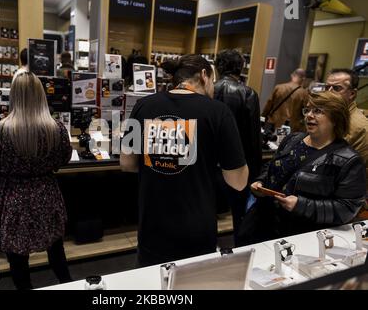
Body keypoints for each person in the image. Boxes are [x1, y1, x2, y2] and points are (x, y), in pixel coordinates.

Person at [120, 54, 249, 267]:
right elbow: (238, 181)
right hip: (196, 228)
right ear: (204, 75)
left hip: (152, 226)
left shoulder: (143, 105)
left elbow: (127, 163)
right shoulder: (218, 112)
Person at [0, 72, 72, 289]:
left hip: (14, 196)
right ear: (41, 94)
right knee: (56, 251)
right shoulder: (56, 129)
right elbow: (63, 159)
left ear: (14, 95)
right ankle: (68, 285)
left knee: (17, 258)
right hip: (46, 194)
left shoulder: (1, 131)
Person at [246, 91, 366, 243]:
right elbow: (274, 165)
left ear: (336, 118)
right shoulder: (293, 139)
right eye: (307, 109)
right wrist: (261, 182)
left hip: (301, 236)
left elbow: (347, 208)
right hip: (264, 223)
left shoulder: (348, 160)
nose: (309, 115)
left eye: (318, 111)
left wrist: (301, 205)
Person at [213, 49, 262, 244]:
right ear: (241, 68)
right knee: (239, 213)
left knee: (209, 209)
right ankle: (241, 248)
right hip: (237, 163)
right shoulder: (248, 93)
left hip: (209, 162)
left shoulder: (209, 90)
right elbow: (253, 137)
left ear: (218, 67)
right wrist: (256, 173)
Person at [262, 69, 309, 133]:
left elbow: (269, 105)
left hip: (274, 122)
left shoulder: (279, 87)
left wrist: (263, 117)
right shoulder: (304, 93)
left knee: (270, 141)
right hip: (289, 126)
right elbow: (306, 111)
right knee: (282, 141)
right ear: (303, 79)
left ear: (292, 75)